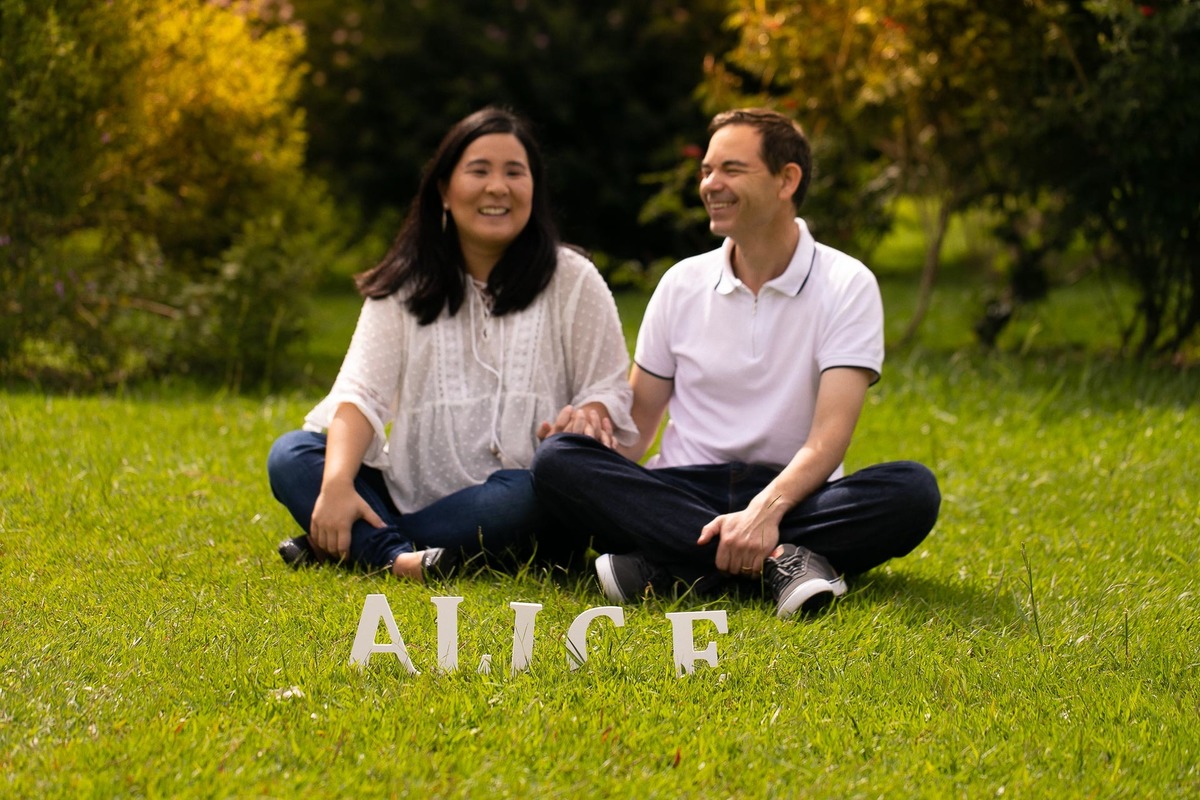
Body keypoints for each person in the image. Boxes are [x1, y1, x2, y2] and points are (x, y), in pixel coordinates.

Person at [531, 108, 940, 618]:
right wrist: (593, 439)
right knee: (556, 460)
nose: (710, 184)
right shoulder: (681, 283)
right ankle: (781, 562)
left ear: (787, 179)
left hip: (793, 489)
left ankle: (677, 565)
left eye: (731, 169)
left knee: (912, 491)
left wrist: (765, 510)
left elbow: (828, 439)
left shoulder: (847, 283)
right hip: (683, 484)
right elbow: (638, 427)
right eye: (706, 170)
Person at [267, 107, 635, 581]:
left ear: (533, 190)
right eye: (478, 171)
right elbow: (360, 395)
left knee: (531, 496)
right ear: (443, 189)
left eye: (514, 173)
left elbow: (607, 389)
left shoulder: (573, 279)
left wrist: (590, 415)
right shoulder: (406, 285)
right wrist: (337, 483)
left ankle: (361, 546)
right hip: (412, 488)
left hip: (520, 498)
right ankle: (400, 558)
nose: (497, 187)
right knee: (293, 455)